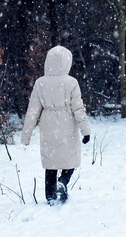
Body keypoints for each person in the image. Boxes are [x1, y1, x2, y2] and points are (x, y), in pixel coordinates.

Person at [21, 46, 91, 205]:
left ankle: (50, 196)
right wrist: (85, 130)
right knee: (71, 159)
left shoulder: (40, 83)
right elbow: (78, 108)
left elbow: (32, 110)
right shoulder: (71, 82)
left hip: (48, 124)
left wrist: (26, 135)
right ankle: (63, 182)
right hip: (67, 123)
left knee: (50, 161)